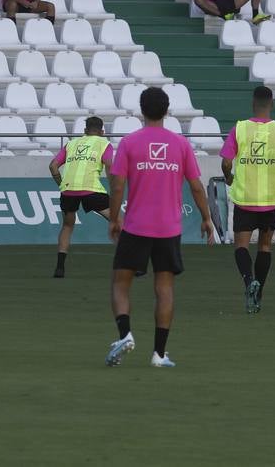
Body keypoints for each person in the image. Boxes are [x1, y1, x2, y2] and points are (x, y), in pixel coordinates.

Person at [105, 87, 215, 368]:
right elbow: (196, 187)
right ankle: (159, 354)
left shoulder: (129, 143)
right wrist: (206, 218)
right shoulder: (180, 144)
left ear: (142, 111)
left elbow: (117, 185)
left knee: (120, 283)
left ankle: (125, 333)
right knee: (164, 288)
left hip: (136, 226)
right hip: (168, 229)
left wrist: (114, 217)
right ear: (167, 111)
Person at [219, 86, 275, 314]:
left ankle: (249, 282)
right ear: (272, 104)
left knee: (241, 246)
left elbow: (226, 162)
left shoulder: (240, 128)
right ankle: (259, 293)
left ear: (252, 104)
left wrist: (228, 177)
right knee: (265, 246)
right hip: (271, 200)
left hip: (245, 198)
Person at [48, 116, 114, 278]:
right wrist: (115, 190)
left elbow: (53, 166)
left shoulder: (71, 144)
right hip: (92, 190)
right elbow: (110, 167)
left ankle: (60, 268)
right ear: (102, 132)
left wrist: (62, 185)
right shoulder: (104, 144)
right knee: (119, 222)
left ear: (85, 131)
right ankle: (132, 265)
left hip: (68, 191)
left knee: (67, 227)